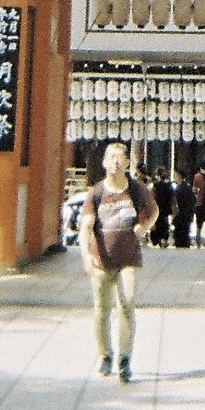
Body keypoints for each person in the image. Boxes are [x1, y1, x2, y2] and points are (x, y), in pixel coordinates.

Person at [78, 141, 158, 384]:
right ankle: (105, 355)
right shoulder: (97, 192)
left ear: (126, 162)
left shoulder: (137, 189)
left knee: (127, 304)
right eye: (110, 157)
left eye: (119, 157)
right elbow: (86, 226)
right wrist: (86, 256)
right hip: (101, 258)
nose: (114, 161)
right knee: (102, 310)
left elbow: (153, 211)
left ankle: (124, 359)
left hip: (129, 258)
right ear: (103, 162)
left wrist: (142, 229)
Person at [149, 166, 174, 248]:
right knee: (164, 226)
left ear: (157, 175)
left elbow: (152, 199)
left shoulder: (155, 186)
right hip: (165, 211)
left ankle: (158, 241)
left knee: (157, 226)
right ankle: (164, 240)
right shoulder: (169, 186)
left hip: (157, 211)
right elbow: (172, 199)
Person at [170, 166, 194, 248]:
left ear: (179, 176)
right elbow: (193, 202)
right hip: (187, 215)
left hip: (179, 215)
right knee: (186, 234)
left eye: (175, 176)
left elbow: (174, 204)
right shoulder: (188, 188)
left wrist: (174, 215)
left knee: (179, 236)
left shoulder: (177, 190)